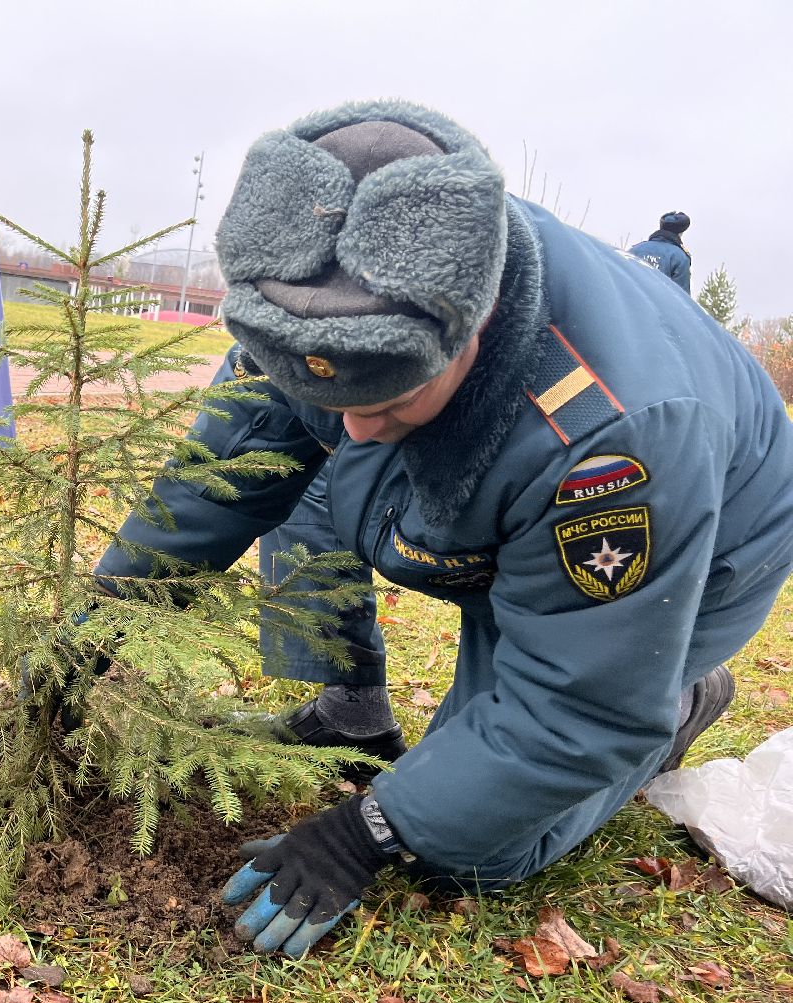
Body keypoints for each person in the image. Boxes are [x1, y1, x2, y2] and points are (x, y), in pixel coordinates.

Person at [91, 101, 793, 958]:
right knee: (296, 467)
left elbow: (571, 707)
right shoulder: (308, 278)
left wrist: (371, 830)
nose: (351, 431)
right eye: (326, 397)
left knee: (480, 851)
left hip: (705, 535)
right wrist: (107, 613)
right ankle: (349, 709)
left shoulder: (609, 441)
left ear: (476, 319)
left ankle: (681, 695)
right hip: (490, 454)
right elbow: (229, 467)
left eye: (386, 402)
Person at [628, 211, 693, 292]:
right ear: (680, 232)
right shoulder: (680, 257)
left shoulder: (634, 250)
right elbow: (682, 296)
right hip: (660, 303)